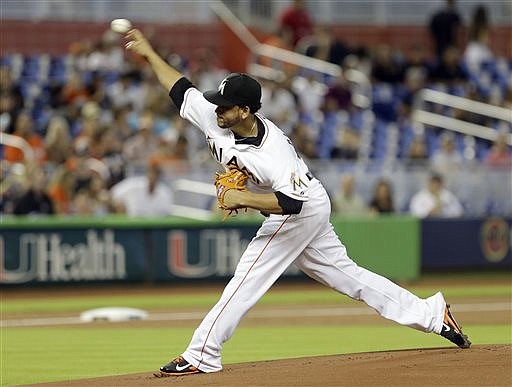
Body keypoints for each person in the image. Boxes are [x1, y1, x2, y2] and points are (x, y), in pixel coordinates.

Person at [124, 28, 471, 377]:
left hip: (304, 206)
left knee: (249, 275)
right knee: (349, 278)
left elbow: (292, 203)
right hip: (304, 204)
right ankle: (432, 314)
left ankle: (202, 353)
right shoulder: (216, 117)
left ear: (244, 111)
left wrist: (240, 196)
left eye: (226, 106)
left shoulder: (272, 152)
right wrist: (150, 53)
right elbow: (181, 89)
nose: (217, 109)